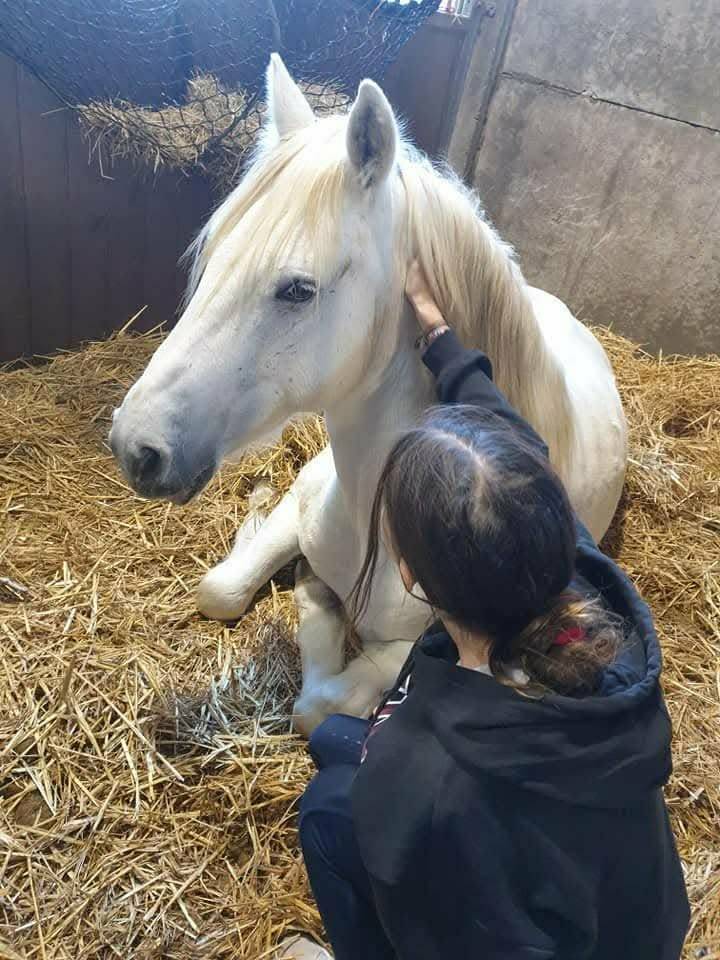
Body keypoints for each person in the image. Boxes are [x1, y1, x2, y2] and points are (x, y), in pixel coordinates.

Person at [276, 263, 689, 960]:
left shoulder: (423, 775)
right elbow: (512, 440)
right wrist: (438, 334)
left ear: (410, 574)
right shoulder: (584, 586)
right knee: (333, 743)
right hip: (629, 922)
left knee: (325, 811)